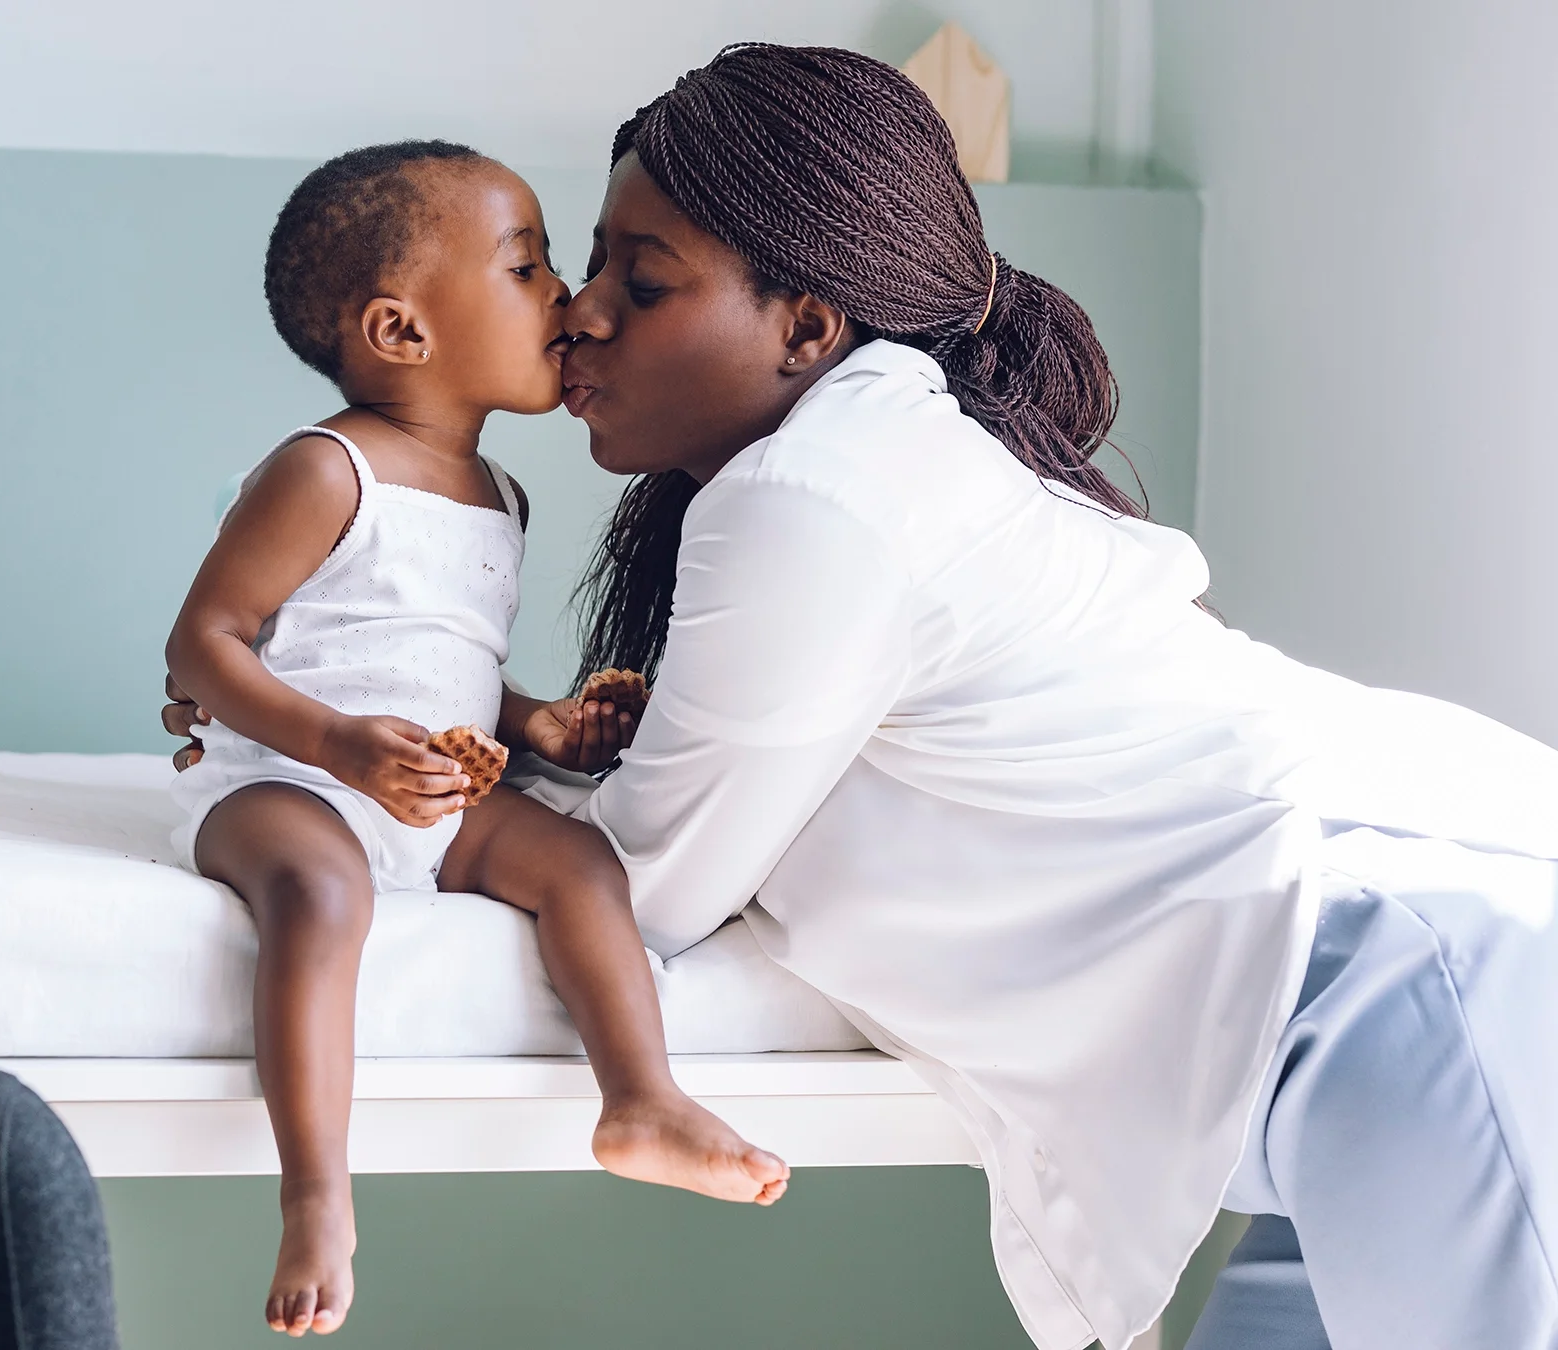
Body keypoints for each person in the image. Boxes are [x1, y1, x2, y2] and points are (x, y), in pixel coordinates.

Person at [170, 46, 1558, 1350]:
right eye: (584, 263)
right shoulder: (848, 455)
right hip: (1348, 1010)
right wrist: (308, 713)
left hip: (1395, 988)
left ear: (807, 327)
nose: (578, 311)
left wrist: (381, 774)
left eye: (638, 281)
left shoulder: (816, 497)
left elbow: (647, 881)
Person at [164, 140, 785, 1340]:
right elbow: (207, 646)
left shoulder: (501, 496)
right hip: (290, 776)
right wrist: (340, 748)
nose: (566, 296)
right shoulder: (324, 469)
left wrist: (538, 722)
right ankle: (316, 1195)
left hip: (427, 787)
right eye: (529, 265)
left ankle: (643, 1099)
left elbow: (438, 661)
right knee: (321, 890)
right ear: (400, 331)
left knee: (577, 863)